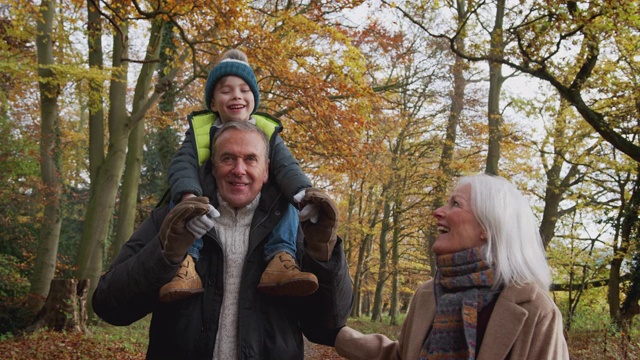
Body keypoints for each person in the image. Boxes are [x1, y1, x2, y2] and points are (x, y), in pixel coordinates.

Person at [92, 121, 353, 359]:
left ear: (267, 170)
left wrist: (322, 254)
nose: (239, 170)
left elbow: (327, 325)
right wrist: (165, 255)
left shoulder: (296, 225)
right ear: (213, 166)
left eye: (251, 159)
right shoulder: (171, 219)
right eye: (228, 158)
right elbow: (110, 307)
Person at [334, 174, 570, 360]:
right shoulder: (427, 294)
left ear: (487, 227)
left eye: (455, 204)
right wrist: (336, 335)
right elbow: (401, 355)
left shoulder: (535, 309)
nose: (438, 212)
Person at [160, 48, 321, 301]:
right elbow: (183, 162)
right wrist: (187, 195)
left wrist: (304, 192)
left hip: (258, 201)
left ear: (254, 98)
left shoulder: (266, 131)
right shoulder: (200, 130)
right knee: (179, 194)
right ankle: (186, 262)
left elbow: (287, 166)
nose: (237, 95)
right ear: (213, 102)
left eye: (244, 90)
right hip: (209, 197)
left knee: (286, 192)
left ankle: (281, 256)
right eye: (226, 90)